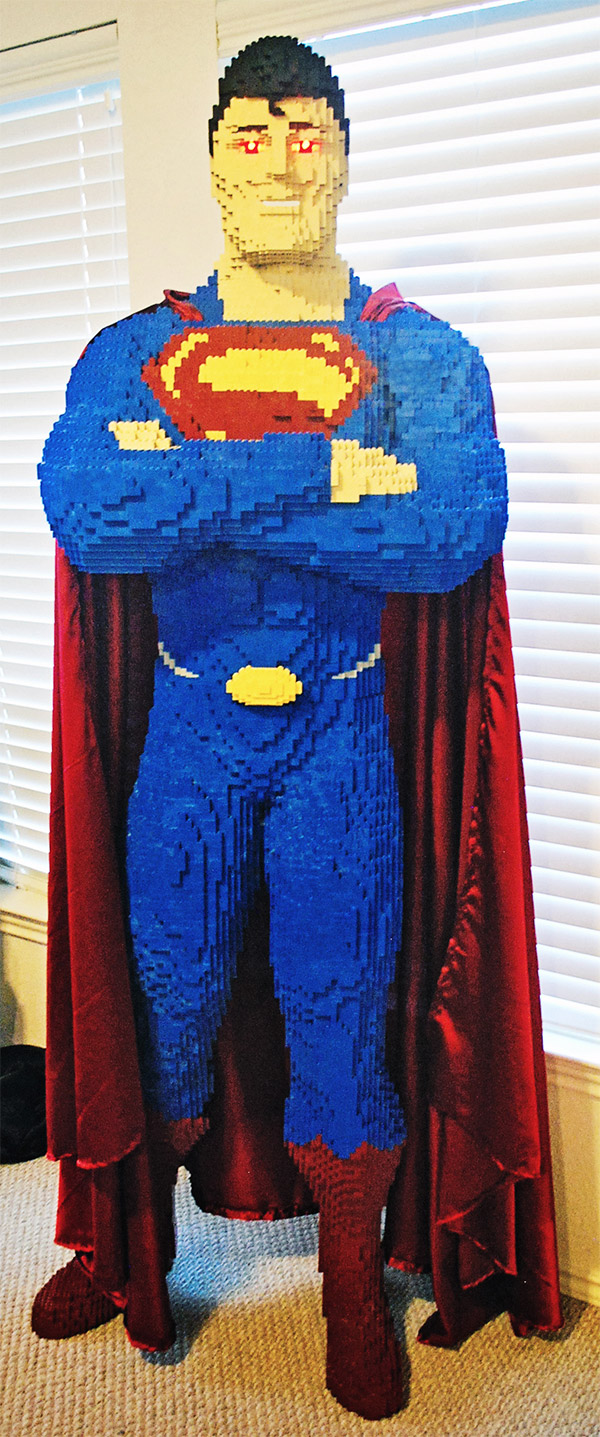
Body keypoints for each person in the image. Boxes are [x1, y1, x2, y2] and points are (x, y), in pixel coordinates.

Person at [33, 36, 560, 1420]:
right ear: (214, 160)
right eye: (251, 135)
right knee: (165, 999)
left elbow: (450, 528)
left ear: (344, 156)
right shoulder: (134, 351)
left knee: (339, 1008)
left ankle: (347, 1289)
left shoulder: (418, 352)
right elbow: (91, 511)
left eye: (305, 133)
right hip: (190, 730)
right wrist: (323, 467)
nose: (278, 161)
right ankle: (129, 1248)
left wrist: (199, 473)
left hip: (339, 734)